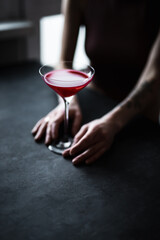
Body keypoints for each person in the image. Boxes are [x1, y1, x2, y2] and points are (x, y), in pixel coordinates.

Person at [32, 0, 160, 165]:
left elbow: (153, 75)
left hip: (138, 118)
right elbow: (64, 61)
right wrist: (68, 100)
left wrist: (113, 122)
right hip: (92, 105)